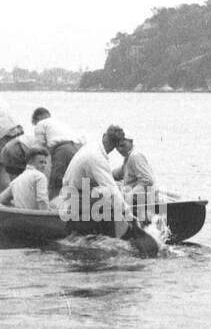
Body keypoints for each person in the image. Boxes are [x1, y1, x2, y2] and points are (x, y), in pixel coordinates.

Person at [60, 124, 162, 255]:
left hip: (72, 193)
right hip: (77, 198)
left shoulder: (92, 147)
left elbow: (111, 178)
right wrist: (128, 214)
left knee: (109, 200)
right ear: (116, 145)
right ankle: (114, 241)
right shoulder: (97, 157)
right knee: (110, 202)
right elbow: (112, 189)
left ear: (104, 136)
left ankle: (97, 238)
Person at [31, 107, 83, 200]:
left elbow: (38, 150)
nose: (35, 126)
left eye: (34, 124)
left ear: (37, 118)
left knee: (56, 181)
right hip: (76, 149)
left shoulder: (41, 124)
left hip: (62, 150)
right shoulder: (58, 123)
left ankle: (51, 208)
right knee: (71, 180)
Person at [112, 135, 158, 222]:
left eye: (122, 145)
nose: (120, 149)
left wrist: (128, 197)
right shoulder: (128, 157)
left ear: (131, 141)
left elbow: (147, 180)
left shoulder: (135, 156)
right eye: (117, 147)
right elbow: (120, 172)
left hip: (143, 203)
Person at [0, 146, 51, 211]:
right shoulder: (40, 176)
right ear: (31, 162)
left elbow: (2, 199)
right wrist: (45, 217)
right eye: (41, 162)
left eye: (45, 163)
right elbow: (42, 200)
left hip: (21, 216)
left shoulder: (16, 180)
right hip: (37, 218)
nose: (44, 165)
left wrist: (14, 207)